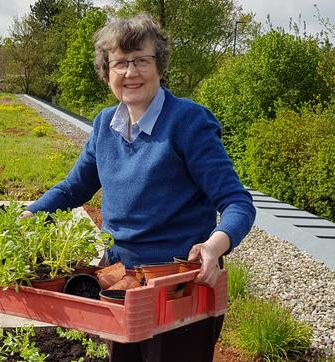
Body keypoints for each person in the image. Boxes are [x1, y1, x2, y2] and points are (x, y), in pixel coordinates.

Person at [22, 14, 255, 362]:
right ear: (107, 72)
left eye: (141, 60)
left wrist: (214, 247)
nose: (130, 72)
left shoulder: (188, 122)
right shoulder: (104, 125)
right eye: (119, 63)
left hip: (177, 286)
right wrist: (29, 214)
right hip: (118, 282)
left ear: (159, 66)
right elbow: (74, 188)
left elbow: (237, 203)